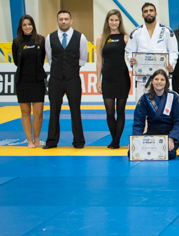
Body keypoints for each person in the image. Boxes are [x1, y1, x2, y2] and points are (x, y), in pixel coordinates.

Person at [44, 10, 89, 149]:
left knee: (75, 110)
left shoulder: (80, 37)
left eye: (66, 19)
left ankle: (79, 141)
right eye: (61, 19)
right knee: (54, 110)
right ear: (57, 21)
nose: (63, 21)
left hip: (73, 79)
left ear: (71, 20)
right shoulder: (49, 38)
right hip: (55, 79)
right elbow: (50, 59)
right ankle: (51, 141)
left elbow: (82, 59)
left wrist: (70, 70)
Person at [126, 3, 179, 100]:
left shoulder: (167, 31)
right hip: (142, 77)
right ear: (142, 15)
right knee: (142, 105)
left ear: (156, 13)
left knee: (163, 105)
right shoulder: (136, 33)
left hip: (162, 75)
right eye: (145, 11)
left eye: (151, 10)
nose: (148, 13)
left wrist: (171, 64)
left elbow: (173, 51)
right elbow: (129, 51)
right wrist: (131, 59)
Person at [95, 10, 131, 149]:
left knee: (120, 110)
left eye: (116, 20)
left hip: (122, 77)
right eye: (111, 20)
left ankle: (116, 141)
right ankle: (113, 138)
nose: (114, 23)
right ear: (107, 21)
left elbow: (132, 55)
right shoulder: (101, 38)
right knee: (110, 112)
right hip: (108, 78)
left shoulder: (126, 38)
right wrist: (98, 80)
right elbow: (99, 60)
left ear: (120, 22)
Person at [132, 69, 179, 160]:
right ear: (152, 81)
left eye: (162, 80)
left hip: (169, 134)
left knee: (169, 153)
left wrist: (172, 138)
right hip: (152, 134)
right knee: (132, 153)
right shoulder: (145, 98)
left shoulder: (174, 97)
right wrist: (136, 140)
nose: (159, 82)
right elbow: (138, 122)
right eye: (156, 79)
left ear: (166, 82)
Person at [12, 15, 46, 148]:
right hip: (22, 81)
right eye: (25, 25)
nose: (27, 27)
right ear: (21, 27)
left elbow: (43, 57)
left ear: (33, 25)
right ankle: (30, 140)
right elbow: (16, 61)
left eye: (30, 24)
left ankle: (37, 139)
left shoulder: (40, 40)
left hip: (37, 81)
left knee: (38, 113)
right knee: (25, 112)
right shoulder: (16, 42)